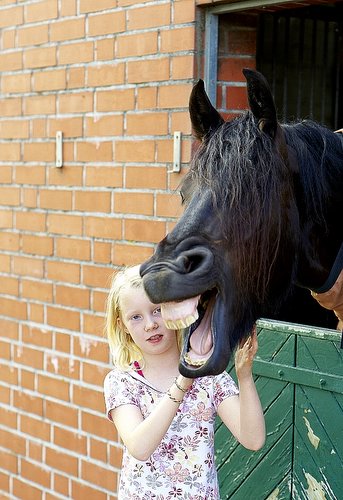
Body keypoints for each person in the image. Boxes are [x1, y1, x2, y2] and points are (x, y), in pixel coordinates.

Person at [103, 265, 265, 500]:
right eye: (136, 317)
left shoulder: (209, 376)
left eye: (157, 310)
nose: (150, 324)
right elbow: (139, 446)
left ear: (174, 310)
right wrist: (184, 379)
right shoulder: (121, 382)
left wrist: (245, 375)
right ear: (122, 326)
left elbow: (253, 439)